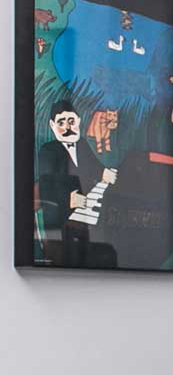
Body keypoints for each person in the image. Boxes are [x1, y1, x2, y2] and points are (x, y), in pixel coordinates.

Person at [35, 100, 116, 265]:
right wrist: (69, 199)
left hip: (83, 215)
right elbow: (47, 186)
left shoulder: (82, 144)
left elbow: (94, 166)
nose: (67, 127)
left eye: (71, 121)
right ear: (52, 125)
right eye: (61, 123)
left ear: (78, 121)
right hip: (60, 220)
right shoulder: (48, 150)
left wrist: (104, 172)